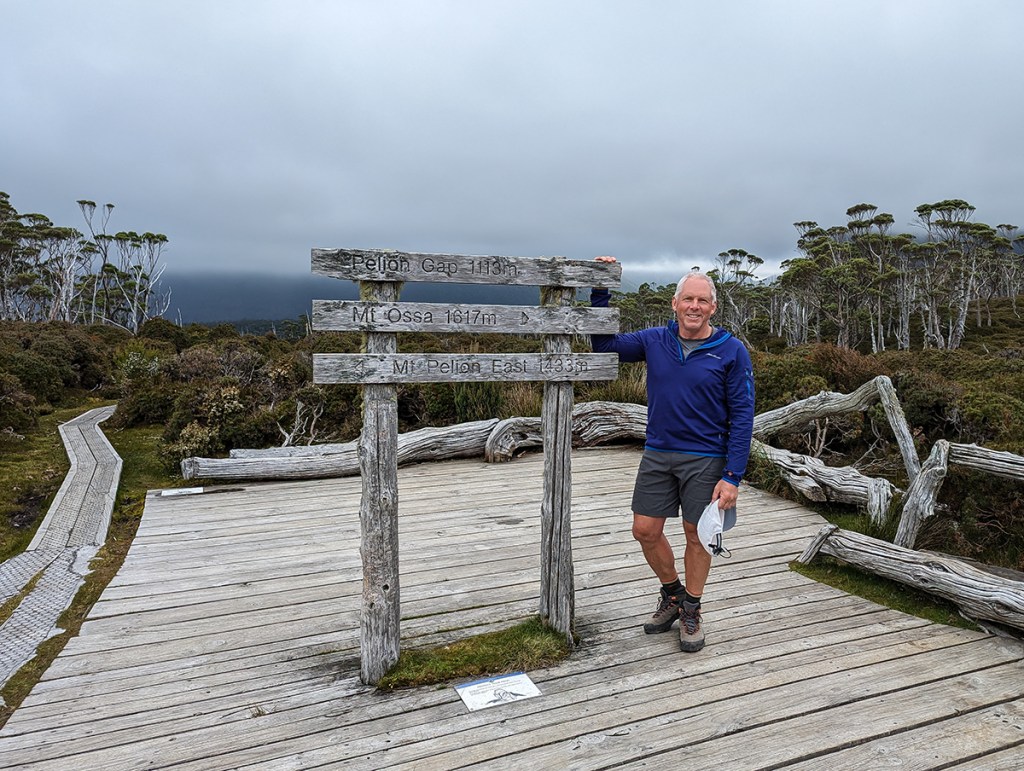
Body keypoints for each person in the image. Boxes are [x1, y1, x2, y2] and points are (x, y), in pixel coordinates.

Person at [591, 256, 754, 652]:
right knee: (645, 530)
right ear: (675, 303)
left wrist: (732, 476)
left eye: (703, 300)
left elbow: (743, 415)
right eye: (688, 299)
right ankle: (674, 594)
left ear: (713, 307)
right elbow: (604, 345)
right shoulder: (654, 340)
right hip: (658, 453)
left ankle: (692, 610)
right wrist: (599, 289)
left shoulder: (731, 351)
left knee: (697, 535)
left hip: (706, 458)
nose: (695, 306)